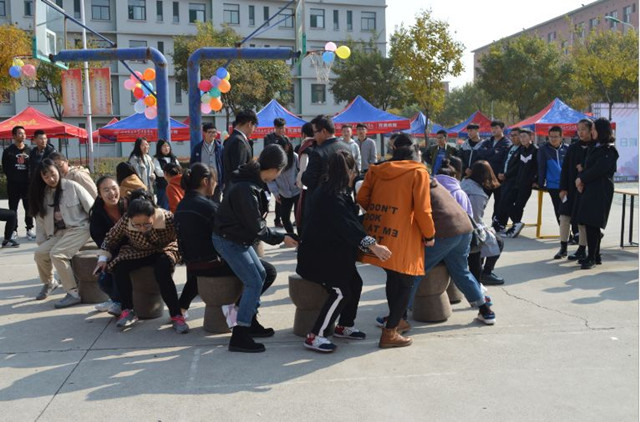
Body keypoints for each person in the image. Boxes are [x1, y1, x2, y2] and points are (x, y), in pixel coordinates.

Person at [297, 150, 391, 353]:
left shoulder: (334, 191)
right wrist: (373, 245)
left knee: (355, 283)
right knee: (341, 291)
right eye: (353, 170)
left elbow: (348, 223)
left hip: (331, 255)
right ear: (348, 171)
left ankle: (344, 325)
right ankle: (315, 336)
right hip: (318, 258)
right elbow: (348, 226)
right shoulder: (331, 196)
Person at [212, 145, 298, 353]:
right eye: (280, 172)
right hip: (228, 240)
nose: (278, 176)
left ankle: (248, 320)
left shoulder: (252, 179)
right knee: (254, 281)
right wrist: (282, 238)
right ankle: (240, 335)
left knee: (264, 273)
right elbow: (256, 227)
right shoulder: (245, 187)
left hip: (238, 238)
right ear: (275, 168)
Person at [174, 163, 277, 334]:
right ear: (206, 181)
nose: (215, 184)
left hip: (193, 265)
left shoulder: (182, 206)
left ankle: (181, 308)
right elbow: (229, 235)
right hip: (214, 263)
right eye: (214, 180)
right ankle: (240, 311)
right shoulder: (209, 207)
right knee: (266, 272)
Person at [357, 133, 435, 348]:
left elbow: (362, 198)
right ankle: (390, 332)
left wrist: (381, 211)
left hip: (380, 230)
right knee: (406, 281)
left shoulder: (376, 170)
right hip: (405, 235)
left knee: (393, 276)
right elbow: (423, 209)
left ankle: (396, 320)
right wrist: (429, 234)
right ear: (415, 154)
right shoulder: (419, 173)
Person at [94, 189, 188, 334]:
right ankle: (127, 310)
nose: (142, 228)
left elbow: (182, 237)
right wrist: (102, 259)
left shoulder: (168, 218)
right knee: (119, 266)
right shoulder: (126, 220)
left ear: (153, 215)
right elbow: (110, 238)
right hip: (138, 250)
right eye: (137, 225)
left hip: (164, 249)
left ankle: (176, 315)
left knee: (162, 269)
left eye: (147, 224)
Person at [407, 173, 496, 325]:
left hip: (445, 234)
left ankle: (398, 316)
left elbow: (422, 217)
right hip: (465, 229)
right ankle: (485, 309)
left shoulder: (417, 188)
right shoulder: (437, 185)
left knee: (415, 271)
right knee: (461, 271)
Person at [29, 159, 93, 307]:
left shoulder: (73, 187)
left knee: (57, 254)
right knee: (40, 253)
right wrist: (42, 241)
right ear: (41, 178)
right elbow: (40, 221)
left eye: (53, 173)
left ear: (58, 170)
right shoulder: (44, 195)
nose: (51, 179)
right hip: (59, 234)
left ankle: (73, 293)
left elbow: (92, 208)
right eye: (46, 177)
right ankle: (50, 282)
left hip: (80, 229)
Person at [574, 118, 618, 269]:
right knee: (589, 223)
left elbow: (598, 169)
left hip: (601, 190)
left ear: (601, 130)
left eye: (593, 129)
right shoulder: (595, 147)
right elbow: (588, 166)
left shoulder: (609, 149)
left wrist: (581, 179)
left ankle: (591, 257)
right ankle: (595, 255)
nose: (591, 131)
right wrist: (581, 179)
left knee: (593, 222)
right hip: (590, 188)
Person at [461, 160, 505, 286]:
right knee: (497, 242)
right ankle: (486, 273)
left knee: (487, 239)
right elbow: (474, 218)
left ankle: (480, 272)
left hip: (459, 225)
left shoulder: (464, 183)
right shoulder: (477, 194)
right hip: (468, 229)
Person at [300, 115, 350, 224]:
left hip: (321, 206)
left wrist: (302, 174)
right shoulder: (347, 147)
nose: (313, 136)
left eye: (314, 132)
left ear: (323, 131)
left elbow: (308, 180)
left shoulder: (318, 152)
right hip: (343, 203)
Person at [89, 176, 126, 316]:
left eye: (114, 188)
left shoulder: (128, 206)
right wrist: (103, 258)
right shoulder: (98, 214)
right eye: (106, 190)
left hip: (134, 249)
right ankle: (115, 299)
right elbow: (100, 240)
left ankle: (118, 302)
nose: (111, 193)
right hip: (111, 251)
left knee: (118, 266)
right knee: (103, 280)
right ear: (99, 194)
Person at [556, 119, 591, 260]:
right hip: (570, 189)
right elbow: (564, 170)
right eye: (579, 129)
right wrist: (563, 188)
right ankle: (563, 247)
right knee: (564, 217)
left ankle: (582, 249)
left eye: (584, 129)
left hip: (586, 190)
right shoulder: (573, 148)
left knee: (582, 221)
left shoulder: (594, 148)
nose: (581, 132)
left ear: (591, 130)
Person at [476, 121, 512, 226]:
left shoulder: (506, 143)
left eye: (496, 128)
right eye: (492, 128)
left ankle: (496, 223)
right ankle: (477, 222)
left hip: (499, 178)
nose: (493, 130)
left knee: (499, 202)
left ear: (502, 129)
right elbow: (480, 152)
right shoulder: (488, 141)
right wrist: (494, 151)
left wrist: (489, 153)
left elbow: (501, 158)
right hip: (486, 177)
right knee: (481, 199)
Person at [504, 128, 538, 238]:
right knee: (507, 201)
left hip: (527, 184)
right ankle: (517, 224)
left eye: (524, 137)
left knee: (519, 206)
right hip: (517, 182)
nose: (522, 139)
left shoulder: (536, 150)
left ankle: (515, 226)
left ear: (531, 137)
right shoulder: (521, 150)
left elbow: (539, 167)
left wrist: (536, 181)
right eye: (521, 137)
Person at [2, 126, 33, 240]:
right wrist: (13, 178)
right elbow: (5, 168)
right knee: (13, 208)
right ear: (14, 136)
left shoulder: (30, 150)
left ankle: (29, 229)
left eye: (24, 133)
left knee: (28, 207)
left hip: (27, 184)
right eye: (20, 133)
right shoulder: (8, 151)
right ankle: (13, 230)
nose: (23, 135)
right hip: (13, 185)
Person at [267, 139, 300, 235]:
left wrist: (298, 182)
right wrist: (275, 192)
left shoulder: (294, 157)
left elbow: (301, 171)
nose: (285, 149)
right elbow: (270, 179)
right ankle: (292, 237)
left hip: (297, 191)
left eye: (286, 146)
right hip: (283, 193)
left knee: (298, 217)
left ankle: (301, 239)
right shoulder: (274, 160)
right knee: (285, 217)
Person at [537, 126, 568, 223]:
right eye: (551, 137)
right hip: (553, 185)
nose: (553, 139)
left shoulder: (568, 148)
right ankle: (565, 234)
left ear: (561, 136)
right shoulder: (543, 149)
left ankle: (576, 233)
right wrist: (540, 183)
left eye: (556, 136)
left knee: (570, 209)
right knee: (559, 209)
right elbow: (541, 167)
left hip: (568, 185)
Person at [494, 127, 522, 232]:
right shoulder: (511, 148)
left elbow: (518, 166)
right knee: (502, 201)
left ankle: (516, 222)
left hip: (513, 180)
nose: (513, 138)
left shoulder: (522, 149)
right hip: (504, 179)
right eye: (512, 135)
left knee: (507, 201)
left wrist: (506, 174)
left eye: (516, 135)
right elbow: (504, 162)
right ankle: (501, 223)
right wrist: (501, 173)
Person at [264, 118, 290, 228]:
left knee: (281, 196)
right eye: (279, 128)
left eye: (283, 128)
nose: (281, 130)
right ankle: (263, 216)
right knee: (266, 196)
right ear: (275, 127)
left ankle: (278, 219)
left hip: (281, 171)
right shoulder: (268, 138)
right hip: (269, 170)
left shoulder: (287, 139)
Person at [222, 110, 258, 188]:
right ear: (249, 124)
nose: (254, 130)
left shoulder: (232, 139)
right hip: (238, 192)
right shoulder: (239, 142)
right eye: (254, 126)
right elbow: (239, 171)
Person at [190, 123, 224, 202]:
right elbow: (193, 164)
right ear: (204, 133)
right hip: (202, 182)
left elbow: (224, 164)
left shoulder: (220, 148)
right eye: (210, 132)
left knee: (216, 204)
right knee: (202, 203)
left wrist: (223, 181)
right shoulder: (198, 148)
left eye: (214, 132)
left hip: (216, 182)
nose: (212, 134)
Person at [295, 122, 316, 235]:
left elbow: (303, 169)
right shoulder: (320, 144)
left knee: (303, 216)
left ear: (303, 134)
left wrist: (299, 183)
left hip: (307, 188)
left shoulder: (306, 147)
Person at [153, 139, 180, 209]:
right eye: (164, 146)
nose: (166, 148)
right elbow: (159, 172)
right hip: (163, 187)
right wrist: (172, 173)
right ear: (159, 148)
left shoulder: (174, 159)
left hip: (175, 187)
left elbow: (179, 170)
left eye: (168, 146)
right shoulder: (157, 159)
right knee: (163, 207)